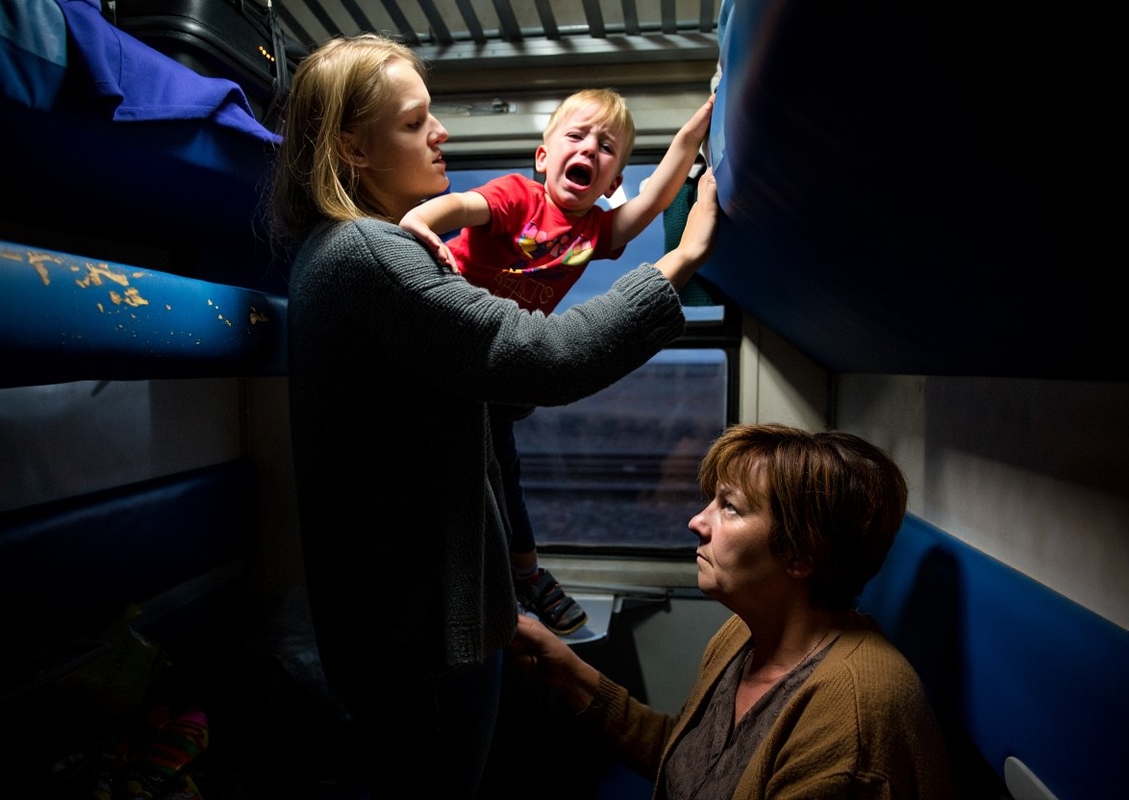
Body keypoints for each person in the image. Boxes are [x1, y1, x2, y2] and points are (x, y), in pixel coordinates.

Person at [270, 33, 720, 799]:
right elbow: (545, 357)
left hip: (413, 626)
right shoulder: (371, 253)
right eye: (415, 122)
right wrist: (681, 260)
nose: (440, 132)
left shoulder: (348, 252)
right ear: (352, 148)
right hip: (421, 645)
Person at [400, 88, 715, 636]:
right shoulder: (518, 197)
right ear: (543, 157)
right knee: (457, 471)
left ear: (612, 184)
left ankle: (523, 572)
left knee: (504, 475)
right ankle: (496, 574)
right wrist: (421, 219)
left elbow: (656, 199)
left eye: (606, 147)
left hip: (500, 368)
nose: (589, 149)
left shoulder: (596, 231)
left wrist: (697, 130)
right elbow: (464, 206)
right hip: (455, 343)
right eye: (576, 136)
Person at [510, 423, 955, 799]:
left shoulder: (849, 727)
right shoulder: (745, 634)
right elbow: (689, 764)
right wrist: (568, 672)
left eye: (730, 507)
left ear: (799, 554)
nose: (696, 522)